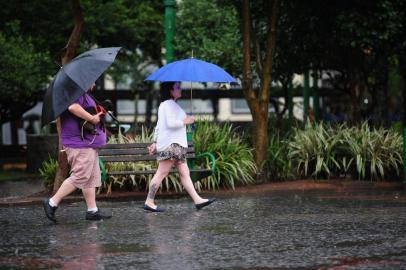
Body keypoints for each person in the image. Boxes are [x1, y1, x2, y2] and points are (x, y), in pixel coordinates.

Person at [43, 83, 112, 223]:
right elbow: (73, 107)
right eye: (92, 80)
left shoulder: (83, 94)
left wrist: (100, 111)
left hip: (88, 143)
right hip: (79, 144)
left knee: (91, 176)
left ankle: (92, 211)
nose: (94, 83)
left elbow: (87, 110)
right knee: (81, 175)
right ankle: (52, 202)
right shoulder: (74, 91)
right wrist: (92, 118)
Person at [144, 81, 216, 212]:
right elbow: (171, 124)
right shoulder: (168, 105)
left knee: (184, 173)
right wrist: (185, 121)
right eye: (177, 87)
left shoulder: (169, 105)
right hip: (172, 145)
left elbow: (159, 126)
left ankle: (197, 200)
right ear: (170, 91)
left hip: (176, 145)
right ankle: (149, 201)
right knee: (162, 172)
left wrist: (155, 142)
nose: (180, 89)